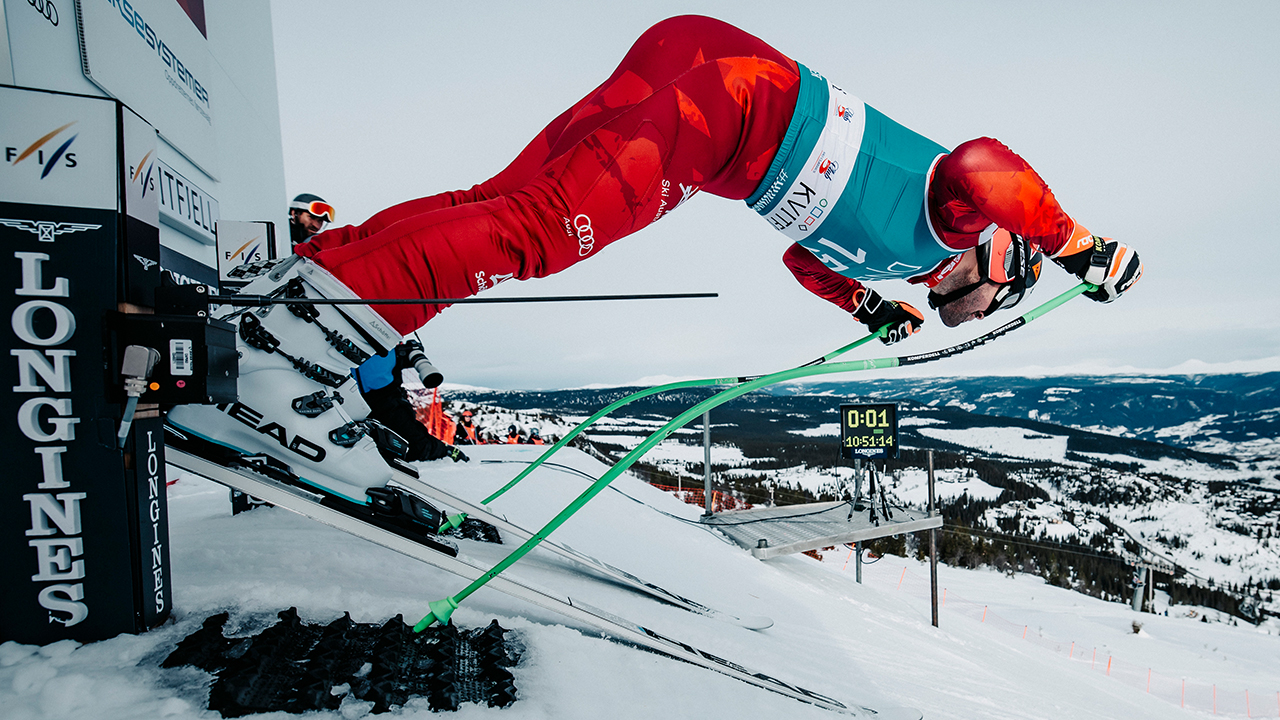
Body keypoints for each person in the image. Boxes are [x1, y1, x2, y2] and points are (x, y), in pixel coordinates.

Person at [169, 16, 1141, 519]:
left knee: (498, 208)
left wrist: (861, 309)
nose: (956, 306)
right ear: (998, 257)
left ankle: (306, 287)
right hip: (727, 112)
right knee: (539, 235)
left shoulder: (893, 258)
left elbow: (804, 256)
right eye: (981, 298)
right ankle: (286, 349)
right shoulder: (961, 211)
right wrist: (1081, 248)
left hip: (712, 94)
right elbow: (986, 160)